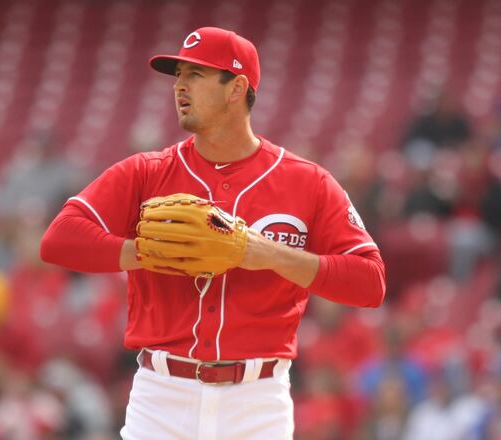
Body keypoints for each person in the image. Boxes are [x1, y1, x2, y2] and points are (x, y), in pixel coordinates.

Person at [40, 27, 386, 439]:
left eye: (196, 75)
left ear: (236, 88)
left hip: (257, 401)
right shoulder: (147, 171)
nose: (179, 86)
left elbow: (371, 282)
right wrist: (149, 252)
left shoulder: (307, 182)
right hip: (161, 395)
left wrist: (269, 254)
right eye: (178, 75)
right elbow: (59, 240)